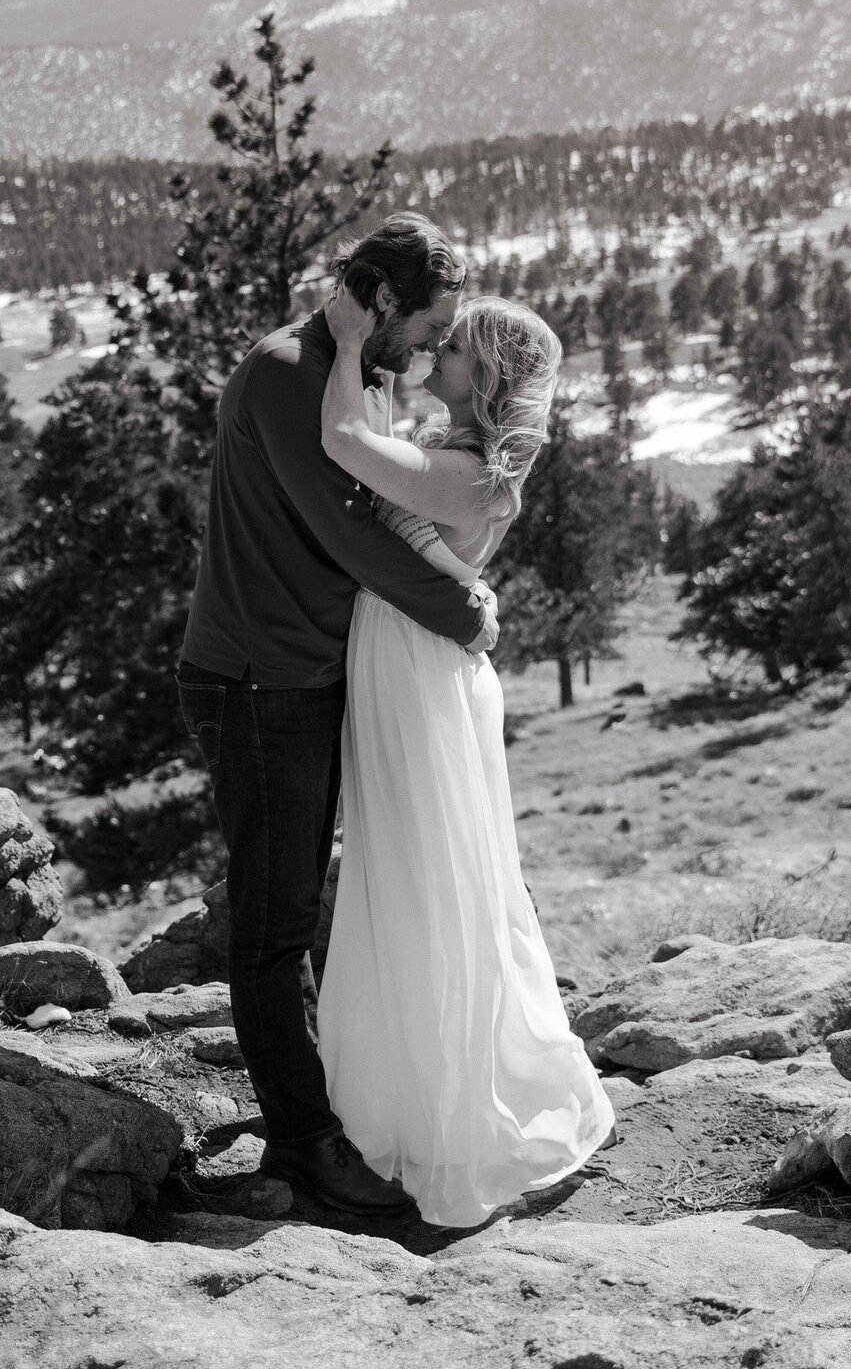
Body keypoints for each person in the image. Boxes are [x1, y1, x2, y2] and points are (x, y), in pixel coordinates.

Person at [177, 212, 500, 1218]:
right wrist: (464, 616)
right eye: (433, 326)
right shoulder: (284, 371)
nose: (438, 350)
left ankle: (324, 1107)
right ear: (386, 300)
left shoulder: (346, 370)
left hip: (305, 674)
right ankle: (305, 1145)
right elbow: (348, 534)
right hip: (256, 680)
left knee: (305, 909)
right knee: (275, 925)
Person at [315, 289, 616, 1228]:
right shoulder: (457, 455)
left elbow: (342, 447)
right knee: (421, 868)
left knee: (426, 877)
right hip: (413, 661)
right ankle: (416, 1084)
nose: (436, 351)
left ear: (483, 376)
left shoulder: (469, 473)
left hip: (414, 671)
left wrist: (351, 341)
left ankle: (446, 1116)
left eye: (452, 348)